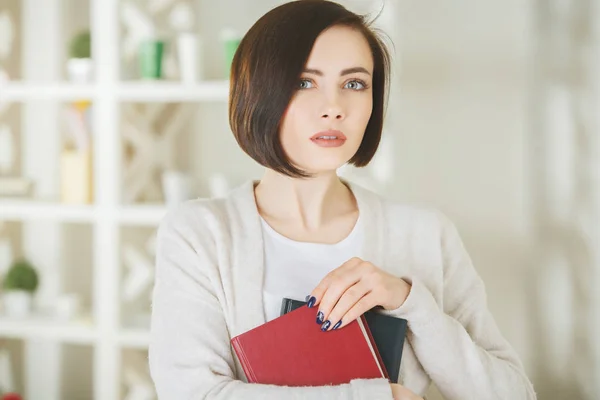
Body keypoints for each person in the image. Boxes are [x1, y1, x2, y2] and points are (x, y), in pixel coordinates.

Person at [148, 1, 537, 399]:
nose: (334, 108)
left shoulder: (425, 234)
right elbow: (191, 393)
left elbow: (514, 394)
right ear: (258, 93)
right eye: (304, 82)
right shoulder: (201, 234)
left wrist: (410, 302)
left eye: (354, 84)